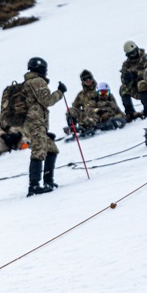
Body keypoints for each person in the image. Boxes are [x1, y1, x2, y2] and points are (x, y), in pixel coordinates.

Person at [21, 56, 64, 196]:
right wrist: (60, 92)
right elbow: (47, 101)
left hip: (34, 124)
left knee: (52, 149)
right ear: (41, 69)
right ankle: (34, 186)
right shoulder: (37, 81)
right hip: (35, 123)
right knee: (38, 152)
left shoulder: (28, 82)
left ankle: (48, 181)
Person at [67, 71, 125, 135]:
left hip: (99, 114)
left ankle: (86, 127)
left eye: (89, 78)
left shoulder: (101, 89)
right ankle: (72, 128)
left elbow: (114, 107)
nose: (88, 80)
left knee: (96, 116)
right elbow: (75, 106)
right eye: (85, 79)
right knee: (71, 110)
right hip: (87, 113)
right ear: (82, 81)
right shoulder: (81, 95)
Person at [119, 40, 147, 120]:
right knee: (123, 88)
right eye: (131, 54)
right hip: (135, 88)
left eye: (134, 52)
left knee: (141, 84)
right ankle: (130, 113)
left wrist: (136, 74)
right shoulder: (126, 64)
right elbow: (123, 77)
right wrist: (126, 79)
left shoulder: (145, 58)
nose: (133, 55)